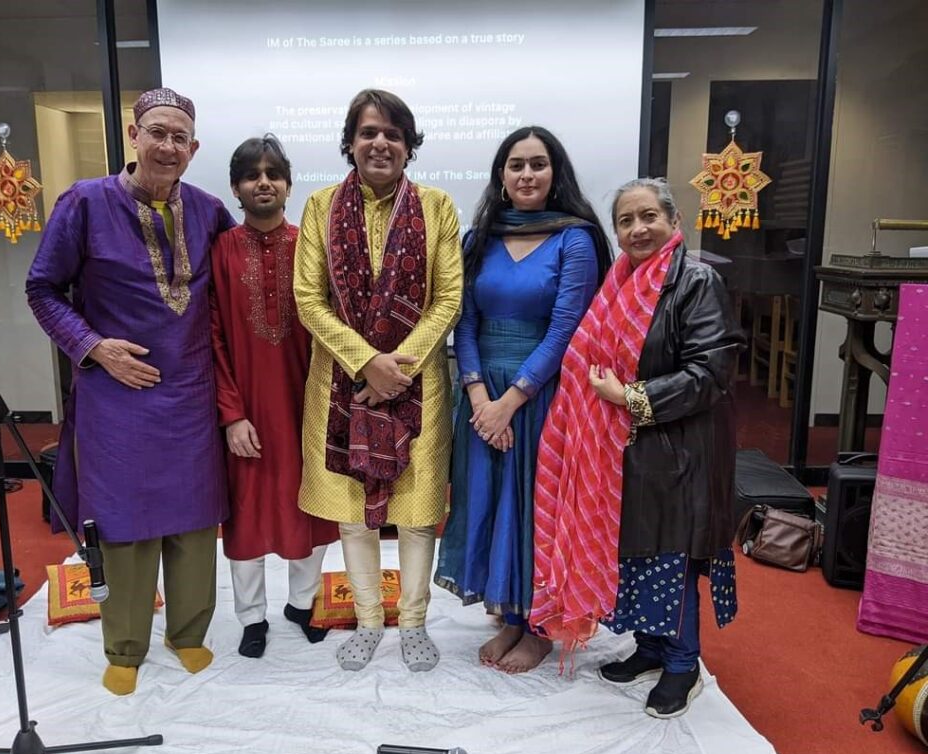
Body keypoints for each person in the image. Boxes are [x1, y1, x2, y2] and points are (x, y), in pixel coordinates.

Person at [26, 88, 235, 696]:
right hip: (116, 397)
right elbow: (43, 290)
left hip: (191, 392)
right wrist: (93, 347)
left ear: (193, 149)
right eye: (158, 133)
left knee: (196, 521)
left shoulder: (208, 210)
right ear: (133, 136)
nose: (168, 147)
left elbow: (225, 293)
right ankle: (125, 644)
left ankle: (189, 633)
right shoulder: (83, 204)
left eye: (180, 138)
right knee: (124, 524)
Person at [530, 178, 745, 717]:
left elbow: (712, 373)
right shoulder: (620, 283)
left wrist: (631, 397)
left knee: (669, 563)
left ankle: (682, 665)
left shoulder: (695, 282)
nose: (637, 229)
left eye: (648, 216)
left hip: (679, 453)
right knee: (634, 561)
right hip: (621, 453)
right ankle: (649, 650)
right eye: (625, 221)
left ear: (674, 222)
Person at [293, 88, 463, 672]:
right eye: (368, 132)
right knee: (350, 511)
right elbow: (308, 301)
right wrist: (366, 363)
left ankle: (413, 621)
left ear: (409, 145)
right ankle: (368, 620)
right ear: (349, 143)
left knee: (416, 513)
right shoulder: (319, 208)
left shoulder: (438, 207)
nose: (380, 143)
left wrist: (398, 369)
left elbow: (448, 301)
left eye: (393, 133)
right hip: (341, 385)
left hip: (420, 387)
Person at [434, 127, 612, 674]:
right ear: (501, 176)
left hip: (542, 397)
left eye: (538, 164)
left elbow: (565, 331)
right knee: (489, 501)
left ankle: (538, 624)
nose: (527, 174)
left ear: (555, 173)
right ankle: (510, 615)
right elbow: (462, 321)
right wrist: (477, 393)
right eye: (516, 165)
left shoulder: (574, 239)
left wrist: (510, 402)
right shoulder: (477, 238)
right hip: (481, 391)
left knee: (536, 508)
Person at [210, 134, 339, 658]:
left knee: (308, 505)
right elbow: (212, 335)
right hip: (248, 408)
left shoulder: (313, 244)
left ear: (287, 183)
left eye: (273, 173)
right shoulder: (221, 250)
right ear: (236, 188)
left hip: (307, 404)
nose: (263, 182)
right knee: (247, 512)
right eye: (251, 174)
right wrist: (231, 415)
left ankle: (302, 605)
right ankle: (251, 617)